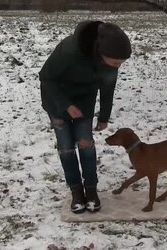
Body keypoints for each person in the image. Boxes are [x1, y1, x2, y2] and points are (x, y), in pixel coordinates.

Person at [39, 21, 131, 213]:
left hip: (84, 103)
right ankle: (76, 191)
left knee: (85, 144)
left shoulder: (109, 64)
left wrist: (104, 117)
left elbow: (108, 88)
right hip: (56, 101)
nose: (118, 67)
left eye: (121, 63)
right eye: (116, 62)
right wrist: (66, 105)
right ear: (100, 52)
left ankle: (91, 189)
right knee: (66, 148)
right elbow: (46, 78)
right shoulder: (70, 51)